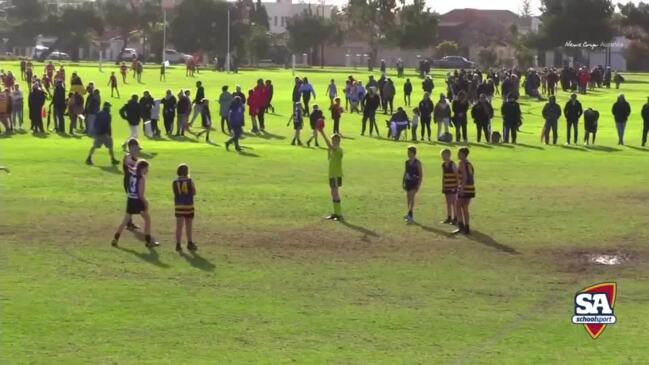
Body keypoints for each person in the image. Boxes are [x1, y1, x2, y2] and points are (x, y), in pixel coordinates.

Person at [111, 160, 160, 248]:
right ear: (142, 169)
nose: (147, 171)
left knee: (125, 220)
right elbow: (140, 195)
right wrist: (145, 202)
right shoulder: (141, 178)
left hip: (130, 200)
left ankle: (115, 238)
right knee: (147, 220)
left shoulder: (133, 175)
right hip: (137, 201)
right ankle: (148, 241)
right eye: (146, 169)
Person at [319, 129, 344, 221]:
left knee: (335, 193)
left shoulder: (339, 150)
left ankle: (339, 214)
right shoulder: (334, 151)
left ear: (337, 141)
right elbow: (329, 156)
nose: (332, 142)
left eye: (333, 141)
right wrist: (329, 149)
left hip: (336, 175)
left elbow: (331, 147)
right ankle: (336, 213)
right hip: (332, 175)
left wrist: (322, 133)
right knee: (333, 193)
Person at [173, 163, 197, 252]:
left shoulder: (175, 182)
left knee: (179, 226)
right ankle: (190, 242)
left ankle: (178, 244)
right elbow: (194, 192)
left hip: (178, 206)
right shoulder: (190, 181)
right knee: (188, 225)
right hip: (188, 205)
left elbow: (175, 192)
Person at [453, 147, 475, 235]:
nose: (458, 155)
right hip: (470, 188)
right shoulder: (469, 163)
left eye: (459, 153)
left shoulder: (462, 163)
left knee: (458, 206)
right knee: (465, 207)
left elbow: (465, 177)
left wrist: (461, 188)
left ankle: (460, 226)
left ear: (463, 154)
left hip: (464, 188)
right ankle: (467, 228)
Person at [402, 146, 423, 224]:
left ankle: (410, 214)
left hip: (414, 182)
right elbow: (405, 172)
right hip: (408, 182)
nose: (408, 154)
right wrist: (403, 181)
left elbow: (421, 174)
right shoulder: (406, 162)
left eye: (410, 152)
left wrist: (419, 185)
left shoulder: (417, 162)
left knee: (412, 197)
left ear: (414, 153)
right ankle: (409, 214)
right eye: (408, 152)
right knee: (408, 198)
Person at [440, 148, 457, 225]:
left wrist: (456, 186)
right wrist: (443, 185)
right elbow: (443, 176)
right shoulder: (443, 165)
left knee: (453, 202)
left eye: (444, 155)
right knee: (448, 202)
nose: (443, 157)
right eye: (442, 155)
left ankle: (455, 218)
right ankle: (449, 217)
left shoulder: (452, 164)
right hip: (447, 186)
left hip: (453, 186)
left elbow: (457, 175)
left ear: (449, 155)